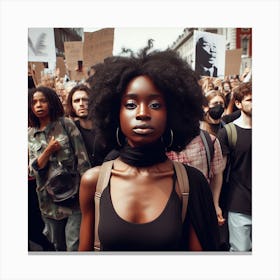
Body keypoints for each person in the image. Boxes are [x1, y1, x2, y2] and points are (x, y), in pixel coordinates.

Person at [78, 43, 220, 251]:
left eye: (155, 104)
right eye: (131, 104)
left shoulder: (191, 184)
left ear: (172, 113)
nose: (142, 113)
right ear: (114, 112)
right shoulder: (94, 182)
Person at [28, 86, 91, 251]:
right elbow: (32, 170)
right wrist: (48, 151)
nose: (39, 105)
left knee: (74, 246)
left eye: (43, 100)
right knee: (58, 247)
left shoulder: (66, 125)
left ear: (51, 102)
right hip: (49, 203)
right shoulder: (29, 135)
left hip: (74, 199)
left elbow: (82, 160)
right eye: (34, 102)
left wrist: (87, 195)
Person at [217, 82, 252, 251]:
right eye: (250, 100)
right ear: (238, 103)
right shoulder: (228, 132)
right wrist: (216, 203)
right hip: (239, 203)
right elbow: (220, 172)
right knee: (241, 251)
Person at [66, 84, 106, 167]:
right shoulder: (71, 130)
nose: (81, 104)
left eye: (85, 100)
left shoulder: (105, 127)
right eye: (77, 101)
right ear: (72, 107)